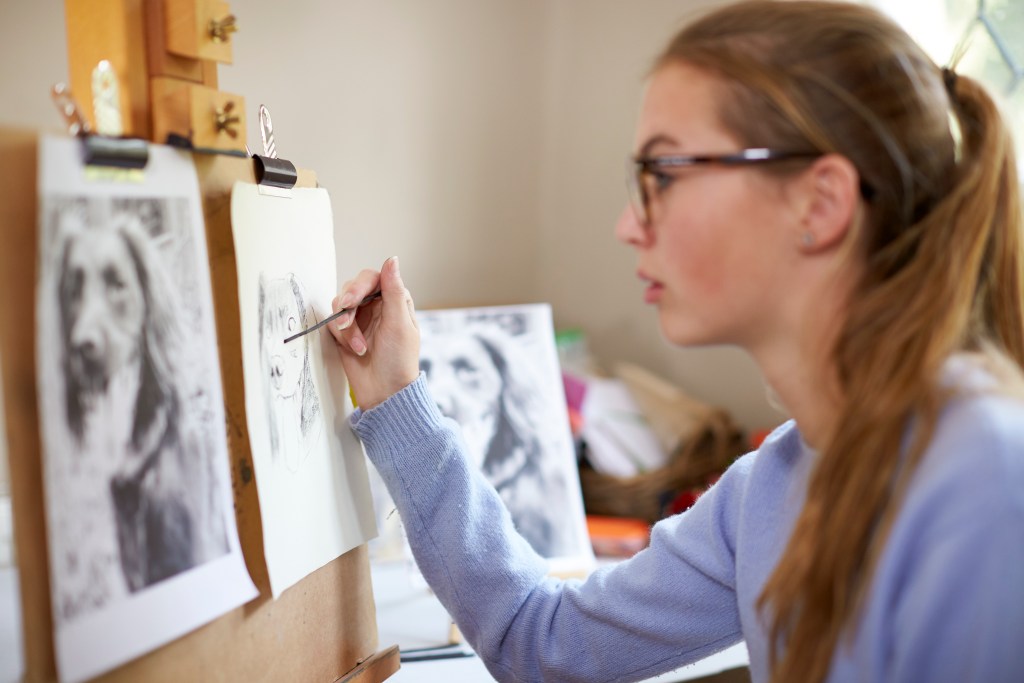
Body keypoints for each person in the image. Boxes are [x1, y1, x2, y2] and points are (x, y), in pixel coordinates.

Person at [329, 1, 1024, 681]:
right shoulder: (770, 488)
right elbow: (541, 641)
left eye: (662, 174)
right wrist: (396, 395)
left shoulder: (986, 480)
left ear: (820, 204)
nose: (628, 225)